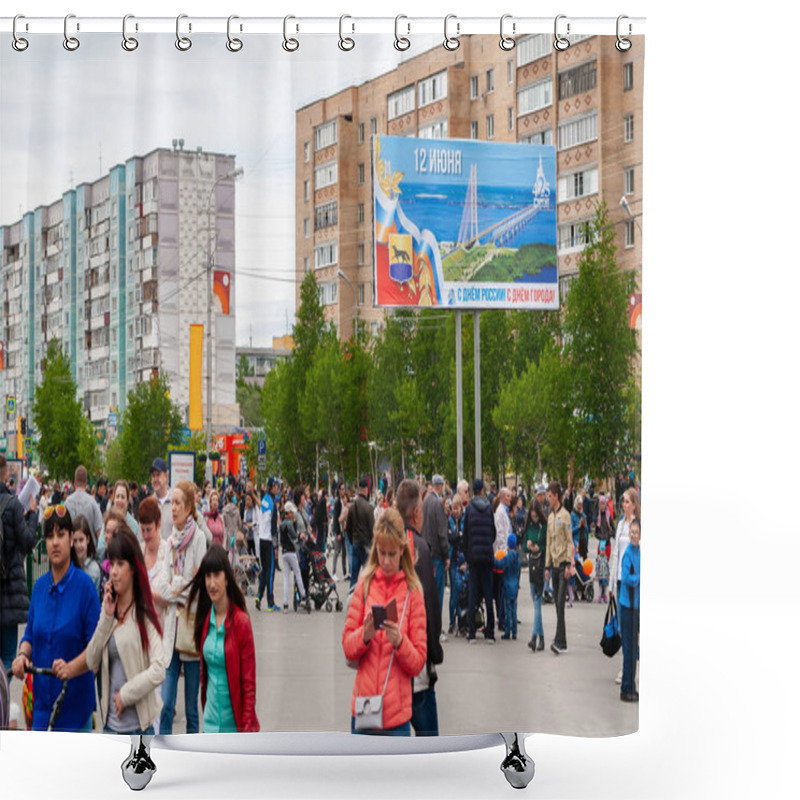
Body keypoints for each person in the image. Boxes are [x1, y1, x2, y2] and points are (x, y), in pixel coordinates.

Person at [53, 527, 165, 734]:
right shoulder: (109, 613)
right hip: (111, 727)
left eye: (120, 564)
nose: (113, 571)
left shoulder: (144, 614)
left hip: (139, 729)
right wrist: (106, 615)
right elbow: (92, 658)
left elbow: (159, 668)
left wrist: (126, 694)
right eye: (111, 563)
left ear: (133, 568)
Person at [12, 505, 101, 731]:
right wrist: (22, 655)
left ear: (71, 539)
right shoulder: (40, 586)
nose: (55, 542)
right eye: (50, 536)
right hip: (42, 713)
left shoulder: (86, 588)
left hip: (76, 716)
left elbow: (96, 650)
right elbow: (30, 634)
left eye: (61, 535)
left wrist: (71, 668)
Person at [342, 508, 427, 736]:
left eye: (392, 554)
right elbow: (348, 649)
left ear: (402, 549)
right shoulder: (365, 585)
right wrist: (365, 635)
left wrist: (400, 642)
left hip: (396, 719)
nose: (387, 561)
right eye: (382, 553)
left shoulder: (413, 592)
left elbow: (418, 661)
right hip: (363, 710)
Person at [186, 545, 260, 732]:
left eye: (216, 575)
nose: (212, 583)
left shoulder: (241, 622)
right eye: (208, 576)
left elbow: (249, 685)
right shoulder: (204, 620)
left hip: (235, 729)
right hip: (209, 726)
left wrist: (246, 730)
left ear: (227, 577)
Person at [159, 480, 208, 734]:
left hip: (191, 633)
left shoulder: (198, 539)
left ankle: (191, 756)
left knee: (191, 709)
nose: (173, 509)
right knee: (165, 704)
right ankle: (165, 755)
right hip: (171, 630)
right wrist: (180, 586)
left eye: (178, 503)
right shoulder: (169, 543)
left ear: (188, 508)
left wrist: (177, 586)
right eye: (172, 504)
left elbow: (198, 589)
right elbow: (163, 588)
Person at [396, 479, 443, 736]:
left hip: (391, 668)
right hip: (417, 669)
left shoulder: (385, 547)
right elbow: (430, 607)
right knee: (430, 745)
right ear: (416, 512)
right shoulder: (419, 549)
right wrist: (434, 652)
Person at [1, 454, 39, 676]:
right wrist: (32, 514)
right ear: (6, 475)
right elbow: (28, 542)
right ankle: (2, 705)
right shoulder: (13, 505)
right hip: (9, 590)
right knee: (7, 657)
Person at [462, 479, 496, 644]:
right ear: (482, 490)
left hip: (474, 558)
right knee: (489, 595)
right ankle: (490, 633)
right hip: (487, 557)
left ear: (472, 491)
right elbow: (493, 532)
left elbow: (466, 534)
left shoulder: (469, 509)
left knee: (473, 594)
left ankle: (472, 633)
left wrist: (467, 555)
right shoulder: (489, 508)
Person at [544, 481, 573, 656]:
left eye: (549, 496)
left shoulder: (565, 516)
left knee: (561, 602)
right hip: (553, 565)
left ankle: (558, 641)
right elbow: (549, 543)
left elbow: (570, 541)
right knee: (557, 604)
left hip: (563, 565)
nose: (548, 499)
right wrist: (547, 566)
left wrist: (569, 564)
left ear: (556, 496)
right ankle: (563, 641)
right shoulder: (550, 517)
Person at [421, 474, 449, 620]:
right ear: (440, 486)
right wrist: (446, 555)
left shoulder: (425, 501)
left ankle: (428, 623)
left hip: (426, 552)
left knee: (428, 592)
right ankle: (436, 627)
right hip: (437, 554)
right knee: (438, 593)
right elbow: (442, 532)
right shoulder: (437, 504)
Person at [138, 497, 170, 621]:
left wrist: (148, 595)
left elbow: (172, 598)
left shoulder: (168, 552)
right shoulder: (138, 552)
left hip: (162, 627)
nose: (145, 535)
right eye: (142, 530)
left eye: (149, 530)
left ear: (158, 524)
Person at [619, 518, 640, 702]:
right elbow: (626, 578)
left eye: (636, 532)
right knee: (629, 649)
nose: (634, 535)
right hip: (627, 606)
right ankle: (626, 687)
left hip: (637, 607)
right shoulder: (628, 554)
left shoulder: (640, 552)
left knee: (634, 650)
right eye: (631, 532)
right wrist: (639, 577)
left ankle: (632, 685)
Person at [524, 498, 547, 652]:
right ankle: (542, 638)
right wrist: (528, 547)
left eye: (536, 516)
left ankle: (534, 636)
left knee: (538, 600)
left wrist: (539, 547)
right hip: (532, 564)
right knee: (535, 602)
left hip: (541, 565)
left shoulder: (543, 526)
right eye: (532, 516)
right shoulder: (528, 526)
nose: (534, 518)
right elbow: (524, 544)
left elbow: (547, 545)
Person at [64, 465, 103, 554]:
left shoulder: (67, 502)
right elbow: (100, 533)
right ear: (86, 483)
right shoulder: (93, 503)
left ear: (74, 482)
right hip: (89, 553)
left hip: (72, 553)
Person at [279, 502, 310, 613]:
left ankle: (285, 604)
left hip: (284, 553)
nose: (293, 514)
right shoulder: (289, 523)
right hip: (292, 553)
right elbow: (294, 536)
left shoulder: (282, 523)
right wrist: (300, 535)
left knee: (286, 578)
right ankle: (304, 595)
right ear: (289, 513)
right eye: (292, 512)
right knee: (298, 574)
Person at [255, 478, 280, 612]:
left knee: (264, 571)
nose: (277, 488)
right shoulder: (272, 504)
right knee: (270, 573)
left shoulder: (264, 500)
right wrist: (276, 547)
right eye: (275, 486)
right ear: (271, 487)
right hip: (269, 540)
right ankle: (270, 602)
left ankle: (259, 595)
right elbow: (274, 528)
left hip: (261, 539)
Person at [347, 477, 375, 589]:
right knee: (369, 576)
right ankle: (367, 599)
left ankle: (351, 599)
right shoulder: (369, 508)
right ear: (366, 490)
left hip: (355, 543)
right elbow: (373, 529)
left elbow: (348, 528)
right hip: (366, 546)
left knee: (354, 576)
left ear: (359, 490)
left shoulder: (352, 507)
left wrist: (352, 540)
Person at [493, 487, 512, 631]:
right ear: (502, 497)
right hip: (501, 554)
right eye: (508, 496)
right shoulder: (499, 513)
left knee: (503, 588)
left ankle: (505, 616)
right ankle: (502, 618)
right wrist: (505, 553)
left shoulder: (503, 511)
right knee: (501, 589)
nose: (510, 499)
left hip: (504, 553)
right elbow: (500, 535)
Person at [72, 515, 103, 598]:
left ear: (88, 539)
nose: (78, 545)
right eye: (75, 541)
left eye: (81, 540)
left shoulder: (94, 569)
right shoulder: (69, 566)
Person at [497, 533, 521, 640]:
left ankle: (507, 632)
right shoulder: (518, 559)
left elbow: (499, 565)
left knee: (508, 611)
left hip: (507, 587)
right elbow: (519, 573)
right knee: (514, 611)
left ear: (508, 545)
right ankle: (515, 632)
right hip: (515, 587)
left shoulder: (506, 558)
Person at [446, 494, 464, 636]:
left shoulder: (464, 520)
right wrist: (458, 535)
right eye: (453, 508)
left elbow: (462, 538)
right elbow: (451, 538)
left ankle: (462, 622)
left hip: (462, 560)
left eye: (457, 508)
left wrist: (457, 536)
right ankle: (452, 622)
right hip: (453, 560)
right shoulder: (449, 521)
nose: (455, 511)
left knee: (462, 592)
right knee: (453, 593)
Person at [150, 458, 173, 541]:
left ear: (166, 476)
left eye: (158, 475)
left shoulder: (176, 502)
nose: (155, 479)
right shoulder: (149, 505)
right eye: (153, 476)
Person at [331, 482, 347, 581]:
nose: (343, 491)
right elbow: (336, 518)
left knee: (344, 552)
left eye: (344, 489)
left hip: (343, 530)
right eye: (341, 489)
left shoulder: (343, 501)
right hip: (339, 530)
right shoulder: (337, 502)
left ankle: (345, 572)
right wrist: (337, 533)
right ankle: (333, 572)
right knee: (337, 551)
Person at [242, 491, 259, 557]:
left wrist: (251, 525)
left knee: (256, 555)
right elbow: (245, 521)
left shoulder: (256, 509)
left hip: (255, 535)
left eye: (249, 500)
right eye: (246, 500)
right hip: (248, 537)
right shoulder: (246, 510)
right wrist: (244, 524)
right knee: (248, 556)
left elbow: (258, 522)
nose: (247, 502)